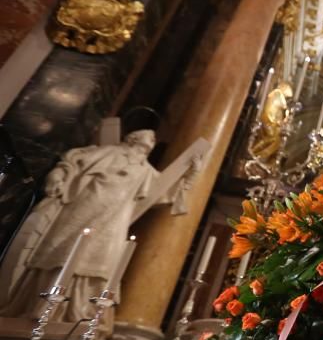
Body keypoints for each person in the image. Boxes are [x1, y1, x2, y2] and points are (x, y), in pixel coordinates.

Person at [0, 130, 196, 322]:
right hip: (85, 208)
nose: (153, 139)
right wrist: (57, 177)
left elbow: (164, 192)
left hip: (114, 220)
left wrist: (191, 174)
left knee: (102, 260)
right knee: (64, 251)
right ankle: (42, 305)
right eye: (149, 135)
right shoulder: (109, 152)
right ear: (133, 138)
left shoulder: (145, 169)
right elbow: (72, 162)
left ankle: (81, 312)